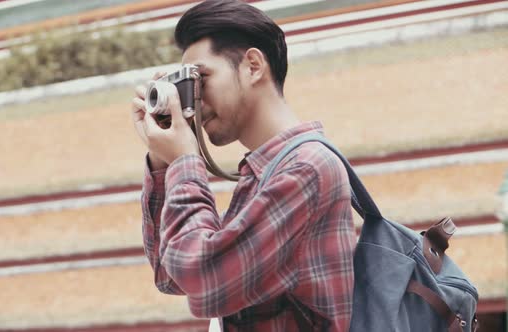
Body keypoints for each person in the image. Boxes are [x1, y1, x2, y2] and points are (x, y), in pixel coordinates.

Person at [130, 1, 356, 331]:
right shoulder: (266, 170)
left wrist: (185, 161)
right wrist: (162, 160)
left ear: (252, 66)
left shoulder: (305, 169)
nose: (194, 99)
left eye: (201, 78)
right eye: (186, 84)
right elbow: (170, 275)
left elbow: (203, 280)